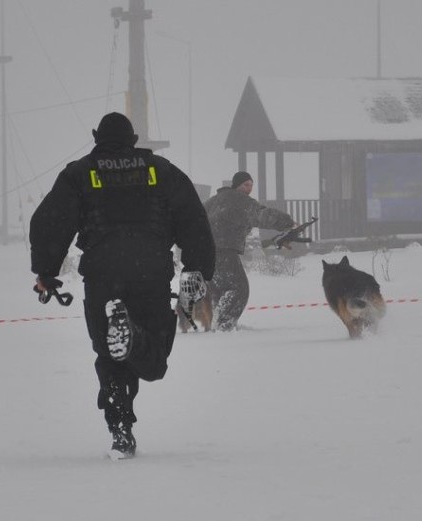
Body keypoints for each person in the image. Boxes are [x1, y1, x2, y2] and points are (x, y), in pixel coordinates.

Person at [29, 112, 214, 459]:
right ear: (133, 139)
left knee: (110, 356)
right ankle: (134, 337)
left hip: (102, 276)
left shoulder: (79, 174)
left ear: (96, 136)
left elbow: (50, 223)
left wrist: (46, 271)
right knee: (153, 362)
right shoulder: (162, 171)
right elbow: (193, 220)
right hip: (151, 273)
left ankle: (121, 432)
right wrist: (196, 269)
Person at [203, 171, 295, 331]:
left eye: (251, 185)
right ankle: (224, 326)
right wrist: (286, 221)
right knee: (239, 288)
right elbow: (259, 214)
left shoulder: (213, 201)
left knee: (220, 290)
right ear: (237, 185)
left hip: (206, 252)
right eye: (246, 185)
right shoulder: (238, 200)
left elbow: (195, 218)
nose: (249, 189)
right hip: (222, 251)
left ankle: (218, 326)